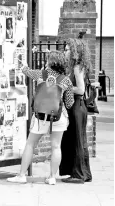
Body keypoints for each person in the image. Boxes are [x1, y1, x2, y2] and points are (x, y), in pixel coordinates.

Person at [7, 51, 74, 185]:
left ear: (50, 62)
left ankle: (21, 175)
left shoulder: (40, 74)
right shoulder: (66, 80)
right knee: (56, 146)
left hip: (41, 117)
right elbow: (69, 103)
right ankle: (52, 177)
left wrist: (24, 63)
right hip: (58, 116)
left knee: (30, 144)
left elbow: (25, 70)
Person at [59, 38, 93, 183]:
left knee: (76, 140)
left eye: (67, 50)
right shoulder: (80, 66)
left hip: (76, 107)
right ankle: (85, 174)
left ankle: (78, 175)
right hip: (80, 107)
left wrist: (64, 86)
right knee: (80, 140)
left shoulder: (77, 68)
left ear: (75, 52)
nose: (65, 52)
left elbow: (80, 89)